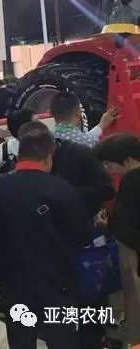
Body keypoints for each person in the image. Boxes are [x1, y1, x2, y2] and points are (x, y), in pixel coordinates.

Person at [0, 121, 92, 349]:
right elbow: (82, 236)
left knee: (21, 340)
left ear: (19, 154)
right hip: (57, 287)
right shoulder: (60, 189)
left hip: (14, 285)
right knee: (63, 342)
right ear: (49, 157)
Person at [94, 134, 140, 348]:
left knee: (133, 297)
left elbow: (126, 222)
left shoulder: (131, 180)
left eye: (109, 164)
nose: (107, 169)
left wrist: (108, 224)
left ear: (128, 160)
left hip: (132, 250)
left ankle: (133, 339)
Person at [50, 92, 118, 148]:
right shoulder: (89, 143)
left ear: (51, 113)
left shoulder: (47, 142)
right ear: (77, 111)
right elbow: (84, 139)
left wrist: (101, 125)